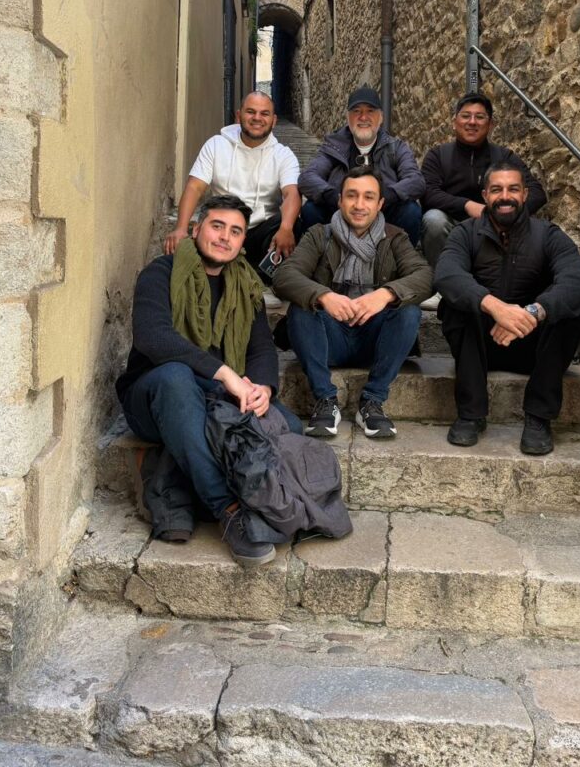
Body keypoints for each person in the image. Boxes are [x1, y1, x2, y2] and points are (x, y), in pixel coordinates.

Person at [117, 194, 303, 566]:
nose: (224, 237)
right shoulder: (161, 273)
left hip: (214, 397)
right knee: (176, 378)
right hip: (154, 397)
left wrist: (263, 388)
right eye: (217, 226)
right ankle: (228, 510)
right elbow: (153, 337)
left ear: (242, 241)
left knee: (288, 424)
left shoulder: (246, 285)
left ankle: (172, 476)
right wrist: (226, 375)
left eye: (235, 231)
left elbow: (261, 349)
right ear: (196, 229)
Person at [434, 162, 580, 454]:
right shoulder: (465, 233)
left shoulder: (547, 235)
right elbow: (446, 274)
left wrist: (532, 313)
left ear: (524, 195)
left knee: (571, 310)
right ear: (485, 195)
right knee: (455, 304)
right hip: (481, 345)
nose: (505, 196)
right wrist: (495, 307)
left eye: (513, 189)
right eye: (497, 190)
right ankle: (471, 414)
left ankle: (538, 417)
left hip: (532, 346)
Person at [273, 166, 433, 440]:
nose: (359, 205)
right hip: (329, 338)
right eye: (352, 195)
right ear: (340, 200)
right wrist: (324, 296)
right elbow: (285, 275)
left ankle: (372, 401)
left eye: (368, 197)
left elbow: (425, 276)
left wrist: (385, 294)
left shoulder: (395, 237)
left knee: (408, 310)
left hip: (375, 340)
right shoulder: (319, 234)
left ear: (380, 204)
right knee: (302, 306)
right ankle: (325, 400)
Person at [164, 91, 301, 272]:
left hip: (260, 231)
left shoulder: (283, 155)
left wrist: (286, 228)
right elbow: (195, 187)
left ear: (274, 120)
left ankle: (261, 273)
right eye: (250, 112)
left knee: (295, 224)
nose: (257, 118)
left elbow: (292, 194)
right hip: (222, 227)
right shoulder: (216, 145)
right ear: (238, 115)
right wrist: (181, 228)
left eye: (264, 113)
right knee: (183, 254)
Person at [421, 92, 547, 267]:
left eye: (480, 117)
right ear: (454, 122)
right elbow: (428, 193)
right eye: (466, 116)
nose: (472, 122)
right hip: (451, 223)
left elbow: (536, 192)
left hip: (495, 226)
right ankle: (442, 276)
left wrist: (504, 213)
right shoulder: (438, 155)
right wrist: (467, 205)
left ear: (490, 125)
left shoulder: (504, 157)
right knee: (433, 220)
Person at [298, 86, 425, 245]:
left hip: (383, 212)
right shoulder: (334, 146)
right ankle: (324, 256)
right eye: (357, 111)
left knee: (411, 211)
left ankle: (398, 257)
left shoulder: (396, 148)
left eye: (370, 111)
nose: (363, 117)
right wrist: (334, 195)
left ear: (381, 117)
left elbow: (416, 180)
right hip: (341, 212)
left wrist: (385, 196)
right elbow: (307, 177)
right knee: (311, 209)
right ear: (348, 117)